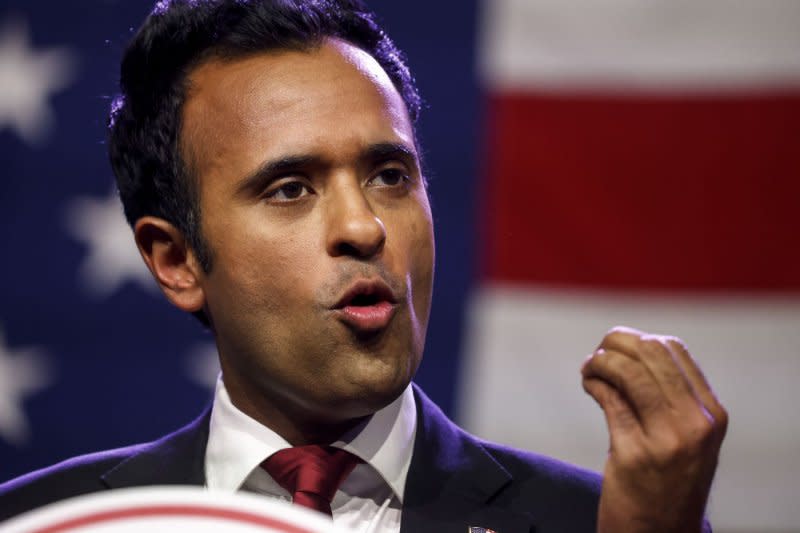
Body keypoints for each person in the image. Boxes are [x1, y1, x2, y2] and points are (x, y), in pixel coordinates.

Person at [0, 1, 727, 531]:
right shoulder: (53, 522)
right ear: (176, 259)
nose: (364, 226)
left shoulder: (605, 523)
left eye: (389, 175)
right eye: (290, 188)